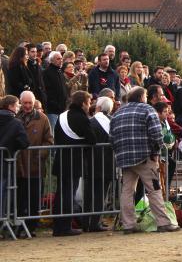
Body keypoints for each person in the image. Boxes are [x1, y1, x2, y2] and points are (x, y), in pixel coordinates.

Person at [109, 86, 179, 234]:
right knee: (154, 189)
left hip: (125, 159)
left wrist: (120, 153)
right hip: (145, 157)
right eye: (146, 95)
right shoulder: (148, 110)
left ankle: (128, 224)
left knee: (127, 192)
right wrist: (156, 151)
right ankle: (163, 223)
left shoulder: (118, 113)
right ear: (142, 97)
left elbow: (112, 137)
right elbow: (156, 134)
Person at [52, 90, 96, 236]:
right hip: (74, 160)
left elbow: (57, 137)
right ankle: (65, 227)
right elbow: (92, 139)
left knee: (61, 194)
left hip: (61, 159)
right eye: (88, 103)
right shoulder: (82, 118)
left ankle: (58, 226)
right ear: (83, 103)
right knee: (69, 194)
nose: (89, 106)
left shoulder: (62, 116)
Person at [16, 91, 54, 237]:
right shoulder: (16, 117)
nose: (27, 106)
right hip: (18, 167)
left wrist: (39, 155)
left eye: (29, 103)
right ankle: (19, 227)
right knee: (20, 199)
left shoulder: (43, 118)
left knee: (34, 199)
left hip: (35, 167)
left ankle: (30, 227)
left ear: (33, 102)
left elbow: (49, 140)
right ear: (20, 102)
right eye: (24, 103)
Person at [83, 96, 115, 232]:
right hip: (107, 163)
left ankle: (86, 222)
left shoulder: (91, 121)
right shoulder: (112, 122)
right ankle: (95, 222)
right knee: (101, 194)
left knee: (89, 193)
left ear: (98, 108)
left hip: (91, 162)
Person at [42, 51, 68, 131]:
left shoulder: (60, 72)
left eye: (61, 59)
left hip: (62, 108)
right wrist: (54, 103)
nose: (61, 61)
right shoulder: (46, 73)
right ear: (51, 60)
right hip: (52, 109)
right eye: (58, 59)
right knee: (53, 132)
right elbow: (47, 91)